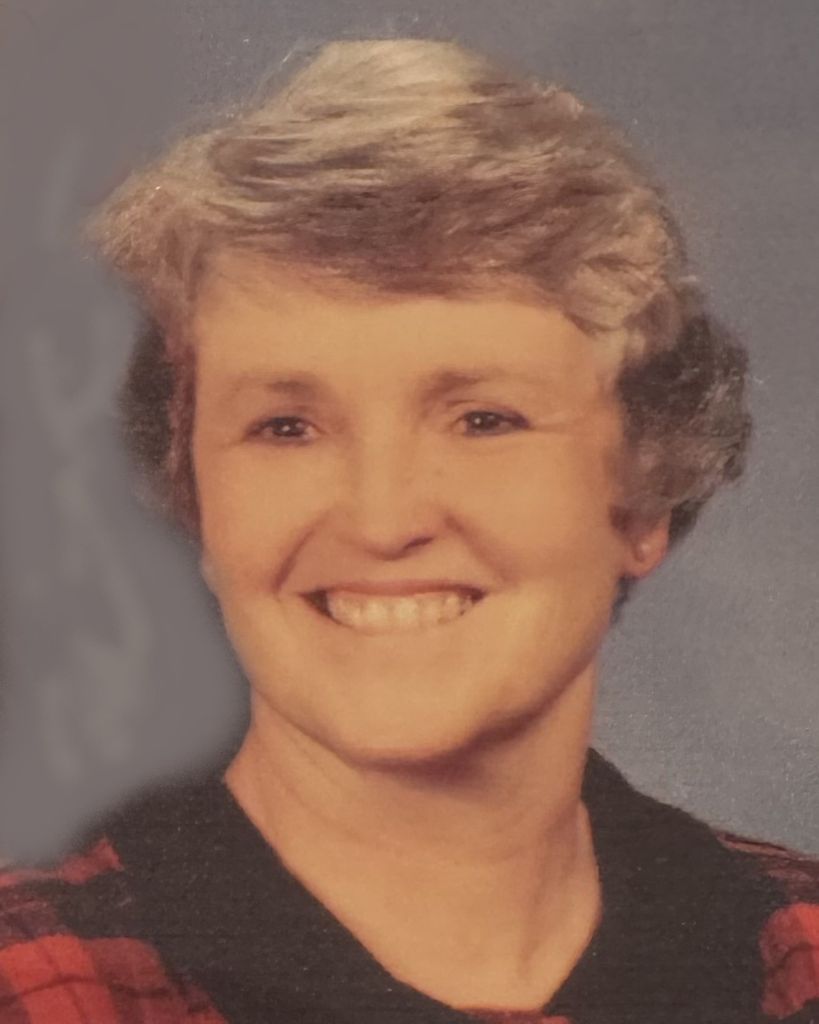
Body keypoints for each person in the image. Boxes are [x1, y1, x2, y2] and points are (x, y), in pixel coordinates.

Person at [0, 38, 816, 1024]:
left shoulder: (796, 950)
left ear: (644, 496)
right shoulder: (41, 980)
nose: (383, 519)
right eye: (286, 427)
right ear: (199, 501)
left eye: (484, 419)